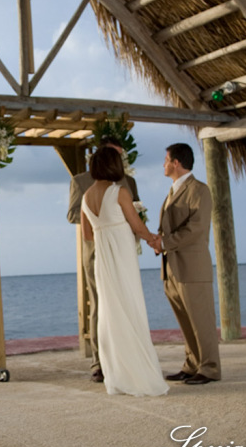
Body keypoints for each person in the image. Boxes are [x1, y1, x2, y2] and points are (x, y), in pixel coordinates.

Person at [80, 147, 168, 397]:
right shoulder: (119, 191)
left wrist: (105, 230)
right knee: (131, 306)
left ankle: (116, 375)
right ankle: (139, 373)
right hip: (121, 256)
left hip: (103, 259)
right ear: (114, 166)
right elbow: (137, 225)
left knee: (109, 311)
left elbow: (87, 234)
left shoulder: (86, 196)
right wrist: (153, 239)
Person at [66, 137, 139, 383]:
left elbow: (134, 213)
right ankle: (100, 362)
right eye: (117, 154)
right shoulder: (81, 181)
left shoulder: (128, 182)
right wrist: (101, 217)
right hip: (97, 252)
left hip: (123, 251)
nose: (121, 160)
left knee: (127, 301)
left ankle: (127, 355)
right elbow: (72, 214)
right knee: (100, 305)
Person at [155, 143, 220, 385]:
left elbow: (196, 229)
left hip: (192, 267)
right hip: (171, 267)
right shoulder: (172, 190)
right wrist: (159, 241)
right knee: (185, 321)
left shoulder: (199, 190)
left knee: (201, 321)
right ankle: (192, 364)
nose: (163, 164)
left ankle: (210, 367)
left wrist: (164, 242)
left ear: (176, 163)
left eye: (165, 159)